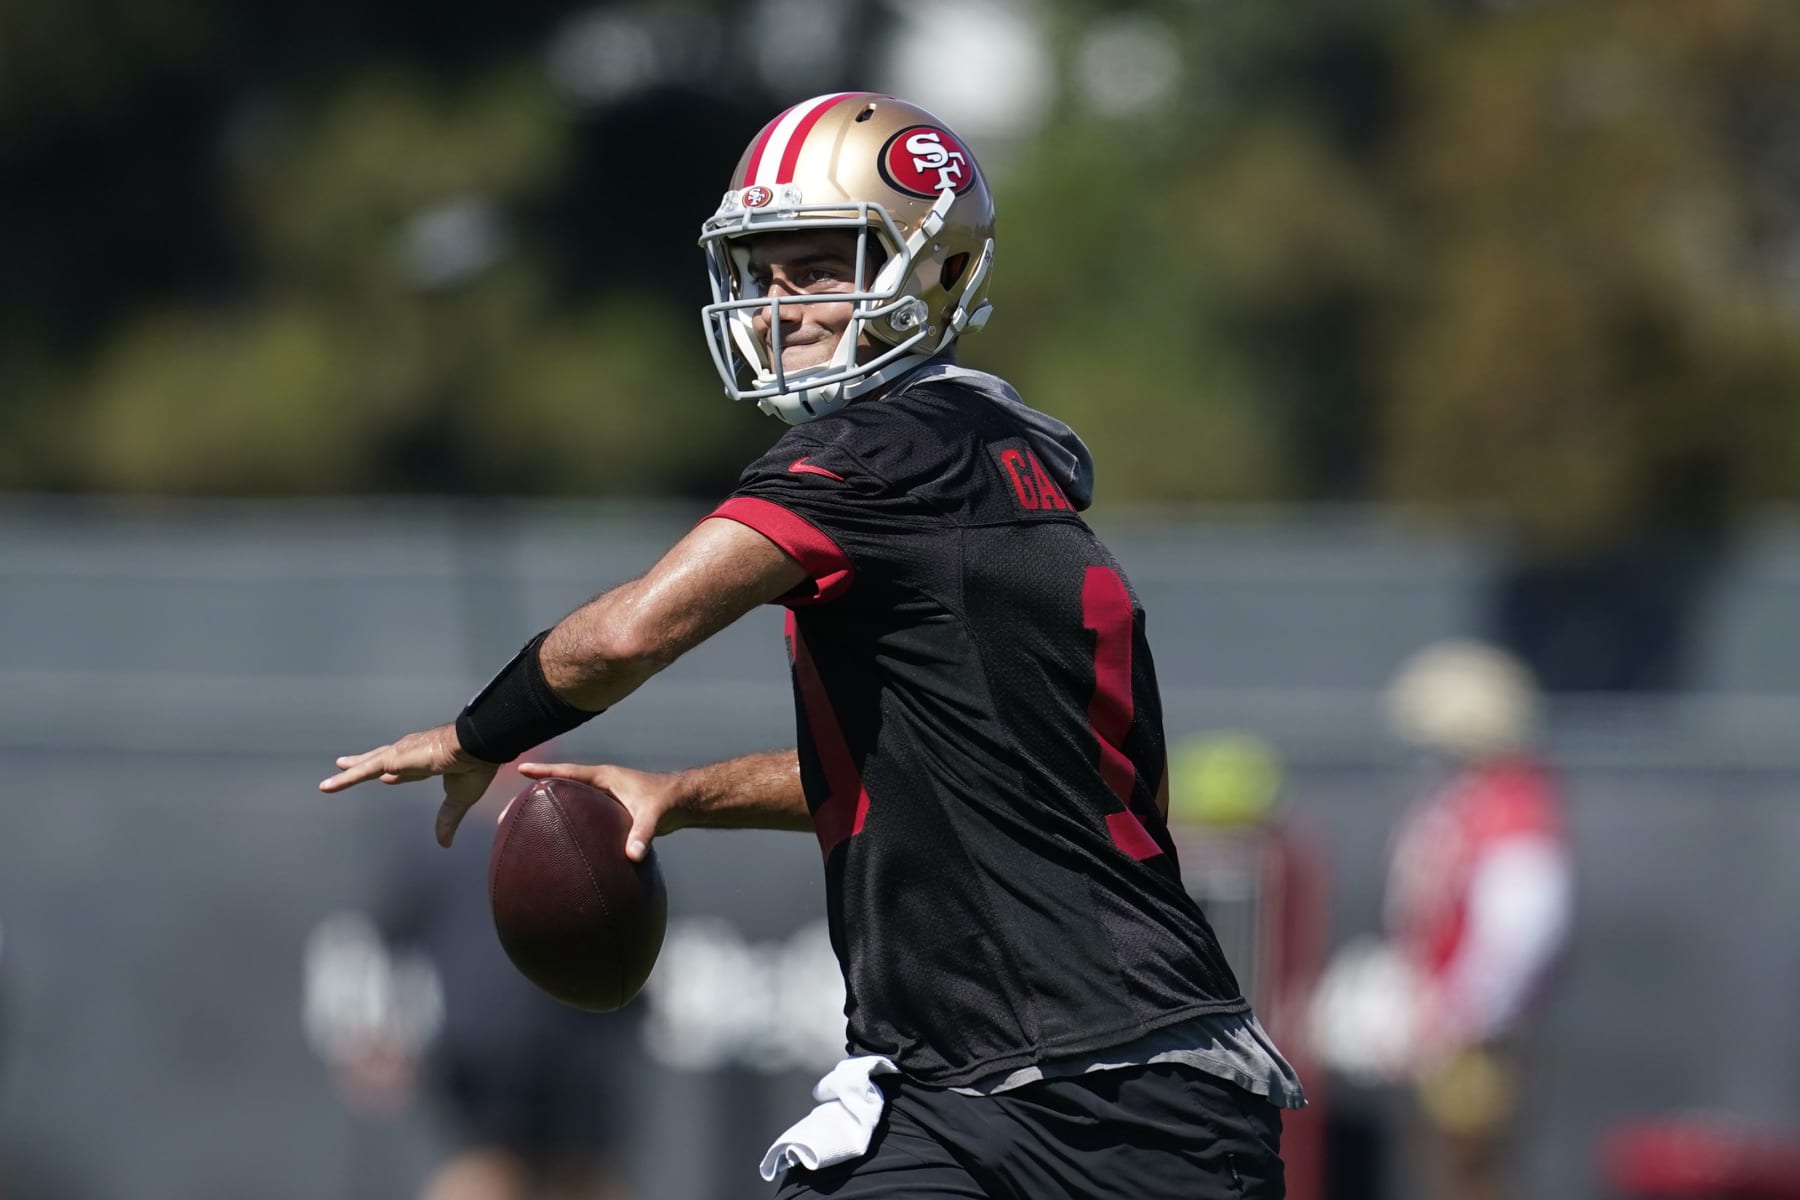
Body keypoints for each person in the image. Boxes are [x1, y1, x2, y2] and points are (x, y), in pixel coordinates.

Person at [321, 92, 1303, 1199]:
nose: (783, 307)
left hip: (1128, 1100)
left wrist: (477, 733)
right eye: (765, 274)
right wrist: (681, 793)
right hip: (970, 1092)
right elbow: (930, 772)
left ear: (931, 268)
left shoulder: (881, 454)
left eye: (817, 268)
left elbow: (636, 630)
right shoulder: (988, 459)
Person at [1381, 640, 1573, 1200]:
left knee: (1472, 1171)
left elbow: (1527, 926)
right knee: (1447, 1166)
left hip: (1480, 1034)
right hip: (1454, 1027)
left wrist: (1464, 1013)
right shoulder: (1469, 799)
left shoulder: (1509, 804)